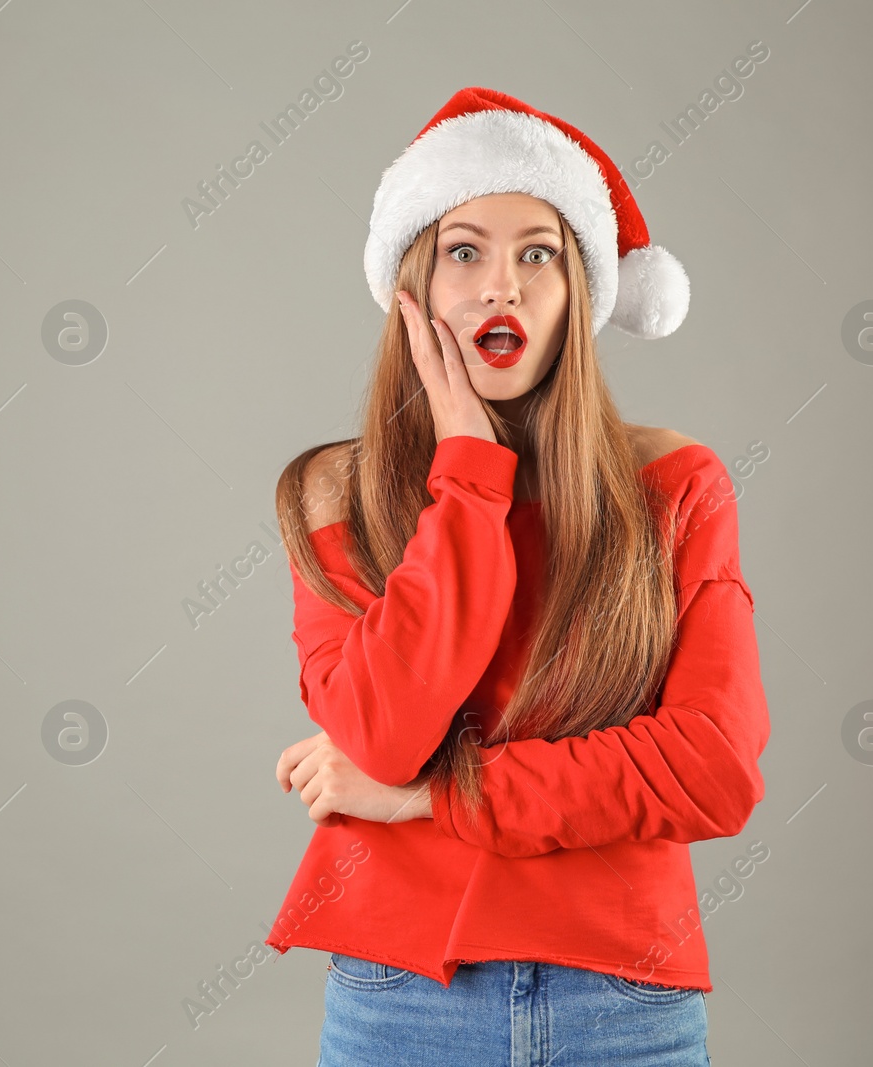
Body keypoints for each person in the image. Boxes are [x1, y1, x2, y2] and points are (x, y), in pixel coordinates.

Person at [263, 87, 770, 1066]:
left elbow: (713, 767)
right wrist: (466, 469)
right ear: (410, 288)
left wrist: (426, 797)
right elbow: (380, 728)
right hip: (400, 993)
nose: (502, 285)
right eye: (464, 250)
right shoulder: (333, 491)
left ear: (581, 289)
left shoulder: (676, 485)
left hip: (623, 994)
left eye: (537, 252)